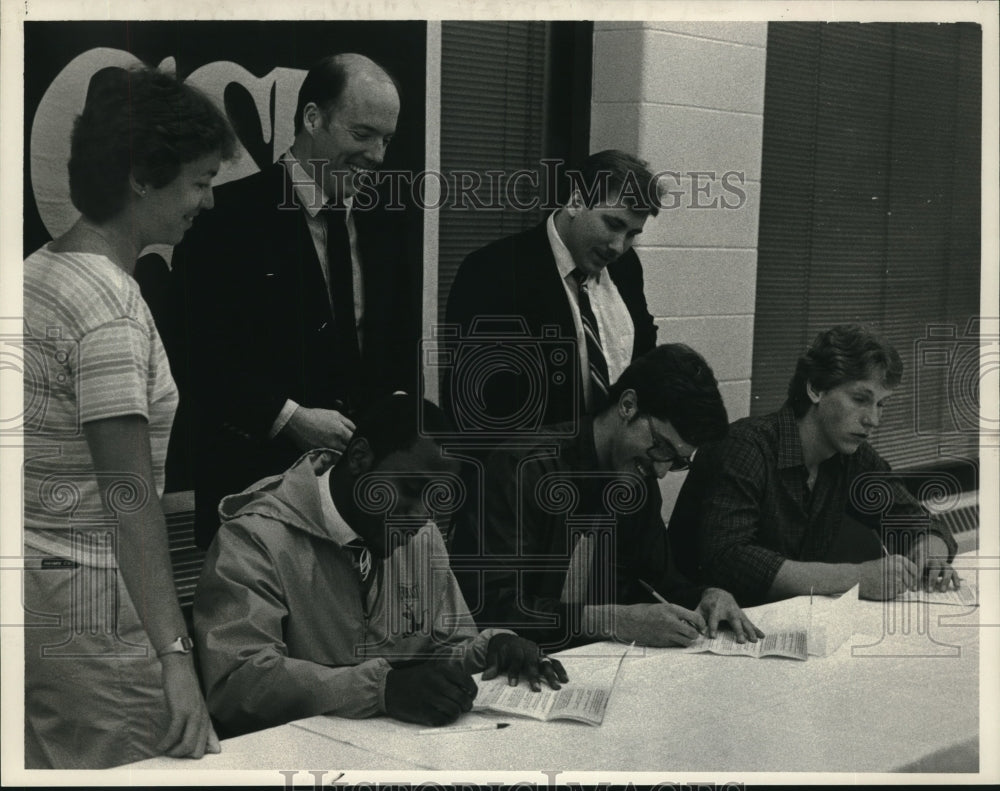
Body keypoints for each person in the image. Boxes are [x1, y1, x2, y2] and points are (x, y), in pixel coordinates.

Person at [22, 66, 235, 769]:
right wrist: (175, 655)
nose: (205, 204)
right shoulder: (109, 307)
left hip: (36, 589)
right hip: (94, 607)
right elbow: (128, 496)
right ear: (144, 176)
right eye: (201, 182)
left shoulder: (32, 273)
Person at [193, 394, 568, 736]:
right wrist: (383, 689)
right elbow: (237, 683)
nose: (422, 516)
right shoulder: (254, 540)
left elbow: (444, 644)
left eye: (437, 498)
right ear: (359, 458)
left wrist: (489, 649)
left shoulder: (419, 535)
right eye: (409, 488)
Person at [166, 52, 419, 548]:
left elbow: (397, 350)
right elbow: (196, 356)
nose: (378, 156)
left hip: (359, 506)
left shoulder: (389, 223)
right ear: (311, 119)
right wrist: (288, 418)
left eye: (386, 140)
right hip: (255, 500)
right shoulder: (225, 221)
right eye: (362, 135)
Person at [450, 344, 763, 652]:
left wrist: (707, 596)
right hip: (512, 666)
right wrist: (613, 620)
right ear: (628, 405)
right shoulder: (523, 469)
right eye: (662, 447)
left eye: (677, 461)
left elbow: (661, 582)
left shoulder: (638, 479)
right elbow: (489, 604)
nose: (661, 470)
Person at [668, 324, 960, 606]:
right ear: (816, 389)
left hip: (781, 626)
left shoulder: (852, 456)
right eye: (860, 399)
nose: (873, 419)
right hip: (699, 629)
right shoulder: (744, 447)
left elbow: (917, 521)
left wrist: (930, 556)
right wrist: (856, 577)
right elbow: (730, 560)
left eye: (881, 404)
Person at [443, 149, 660, 433]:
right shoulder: (493, 272)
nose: (619, 246)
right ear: (576, 202)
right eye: (613, 224)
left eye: (632, 234)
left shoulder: (626, 268)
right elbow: (479, 404)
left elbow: (643, 358)